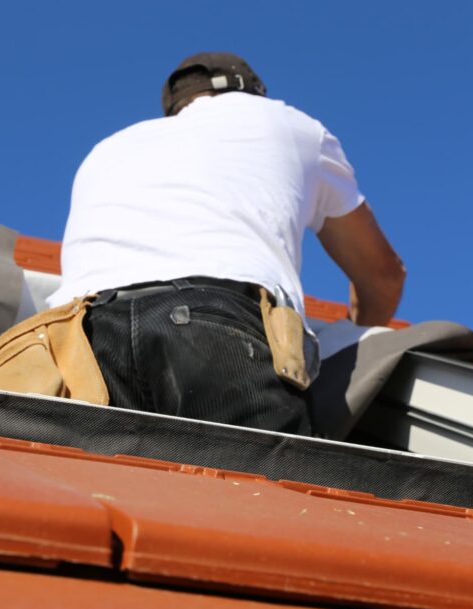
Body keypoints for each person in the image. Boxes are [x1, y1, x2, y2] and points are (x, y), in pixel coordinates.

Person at [46, 52, 405, 435]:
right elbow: (382, 277)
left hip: (77, 340)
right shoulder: (288, 125)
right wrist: (354, 342)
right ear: (253, 93)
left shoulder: (108, 148)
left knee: (107, 491)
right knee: (259, 492)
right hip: (214, 325)